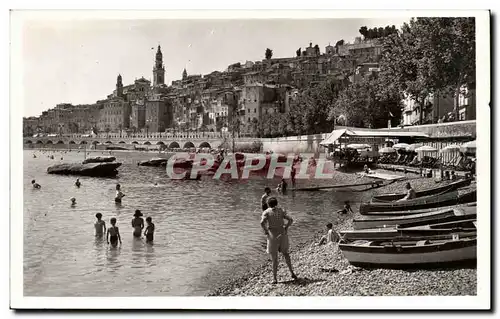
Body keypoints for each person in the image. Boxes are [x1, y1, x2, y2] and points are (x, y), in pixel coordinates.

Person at [260, 197, 297, 284]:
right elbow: (291, 220)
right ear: (276, 203)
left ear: (268, 204)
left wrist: (266, 231)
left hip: (273, 235)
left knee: (274, 258)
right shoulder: (281, 210)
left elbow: (262, 222)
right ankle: (292, 273)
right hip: (282, 234)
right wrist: (286, 227)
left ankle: (275, 279)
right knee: (286, 254)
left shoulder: (266, 212)